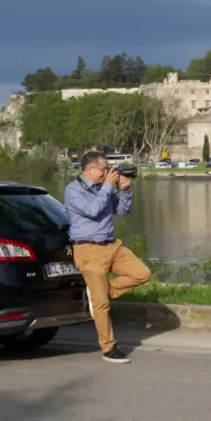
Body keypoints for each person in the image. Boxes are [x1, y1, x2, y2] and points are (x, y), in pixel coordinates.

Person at [63, 150, 151, 363]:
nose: (106, 173)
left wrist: (126, 191)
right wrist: (108, 186)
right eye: (103, 169)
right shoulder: (73, 190)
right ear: (89, 169)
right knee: (102, 305)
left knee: (142, 274)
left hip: (112, 246)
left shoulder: (105, 188)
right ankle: (109, 348)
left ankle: (104, 291)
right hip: (88, 250)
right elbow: (93, 210)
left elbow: (121, 211)